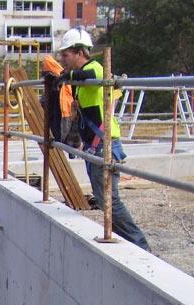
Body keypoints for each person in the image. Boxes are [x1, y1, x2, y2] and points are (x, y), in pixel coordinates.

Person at [54, 27, 151, 251]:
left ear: (79, 52)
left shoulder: (95, 68)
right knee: (103, 198)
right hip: (95, 146)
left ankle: (140, 245)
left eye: (66, 55)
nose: (63, 59)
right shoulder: (80, 80)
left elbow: (93, 76)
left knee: (110, 200)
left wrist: (65, 77)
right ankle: (126, 243)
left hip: (105, 144)